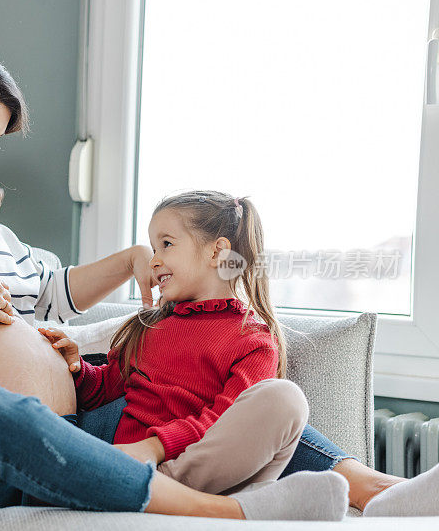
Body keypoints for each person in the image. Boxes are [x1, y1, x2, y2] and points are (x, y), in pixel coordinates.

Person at [0, 31, 437, 519]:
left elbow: (54, 293)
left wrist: (127, 262)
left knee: (186, 383)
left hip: (62, 433)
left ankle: (376, 491)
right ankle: (235, 513)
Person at [41, 191, 439, 517]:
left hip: (189, 466)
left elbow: (225, 419)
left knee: (284, 399)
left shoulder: (253, 338)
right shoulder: (149, 327)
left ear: (218, 252)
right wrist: (77, 368)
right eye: (152, 246)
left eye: (166, 244)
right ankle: (242, 505)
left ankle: (379, 498)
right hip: (138, 465)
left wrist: (156, 447)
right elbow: (105, 388)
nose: (154, 259)